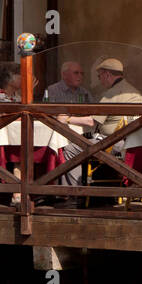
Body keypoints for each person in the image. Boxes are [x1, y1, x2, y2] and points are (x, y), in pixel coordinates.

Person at [47, 62, 96, 199]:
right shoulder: (53, 90)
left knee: (73, 149)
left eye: (82, 73)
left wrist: (69, 118)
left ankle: (73, 191)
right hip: (58, 133)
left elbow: (93, 115)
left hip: (82, 134)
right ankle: (64, 190)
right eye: (76, 73)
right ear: (64, 74)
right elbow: (49, 115)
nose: (80, 77)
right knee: (67, 149)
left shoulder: (84, 92)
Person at [94, 58, 142, 137]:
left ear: (107, 75)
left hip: (109, 142)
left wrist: (68, 119)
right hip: (129, 140)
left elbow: (93, 121)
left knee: (70, 149)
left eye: (99, 76)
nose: (100, 81)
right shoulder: (134, 92)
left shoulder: (112, 93)